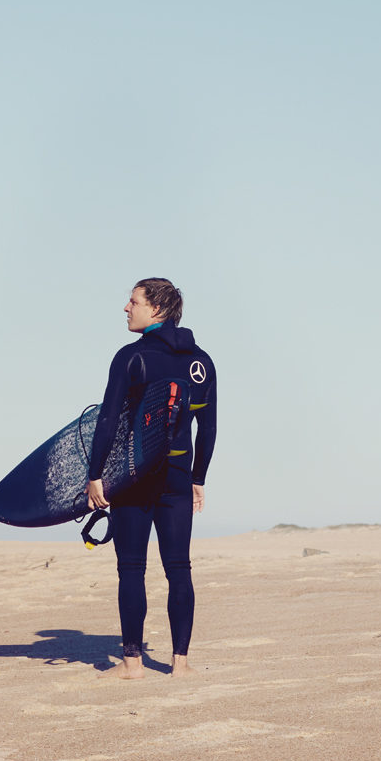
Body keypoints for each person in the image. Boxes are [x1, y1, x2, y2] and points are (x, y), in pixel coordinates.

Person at [84, 278, 217, 679]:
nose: (126, 308)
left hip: (134, 476)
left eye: (133, 301)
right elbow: (207, 428)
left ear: (156, 309)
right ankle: (181, 663)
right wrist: (198, 477)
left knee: (131, 569)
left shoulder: (131, 357)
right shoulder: (202, 362)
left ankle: (132, 664)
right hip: (178, 476)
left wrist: (95, 476)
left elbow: (107, 421)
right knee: (179, 567)